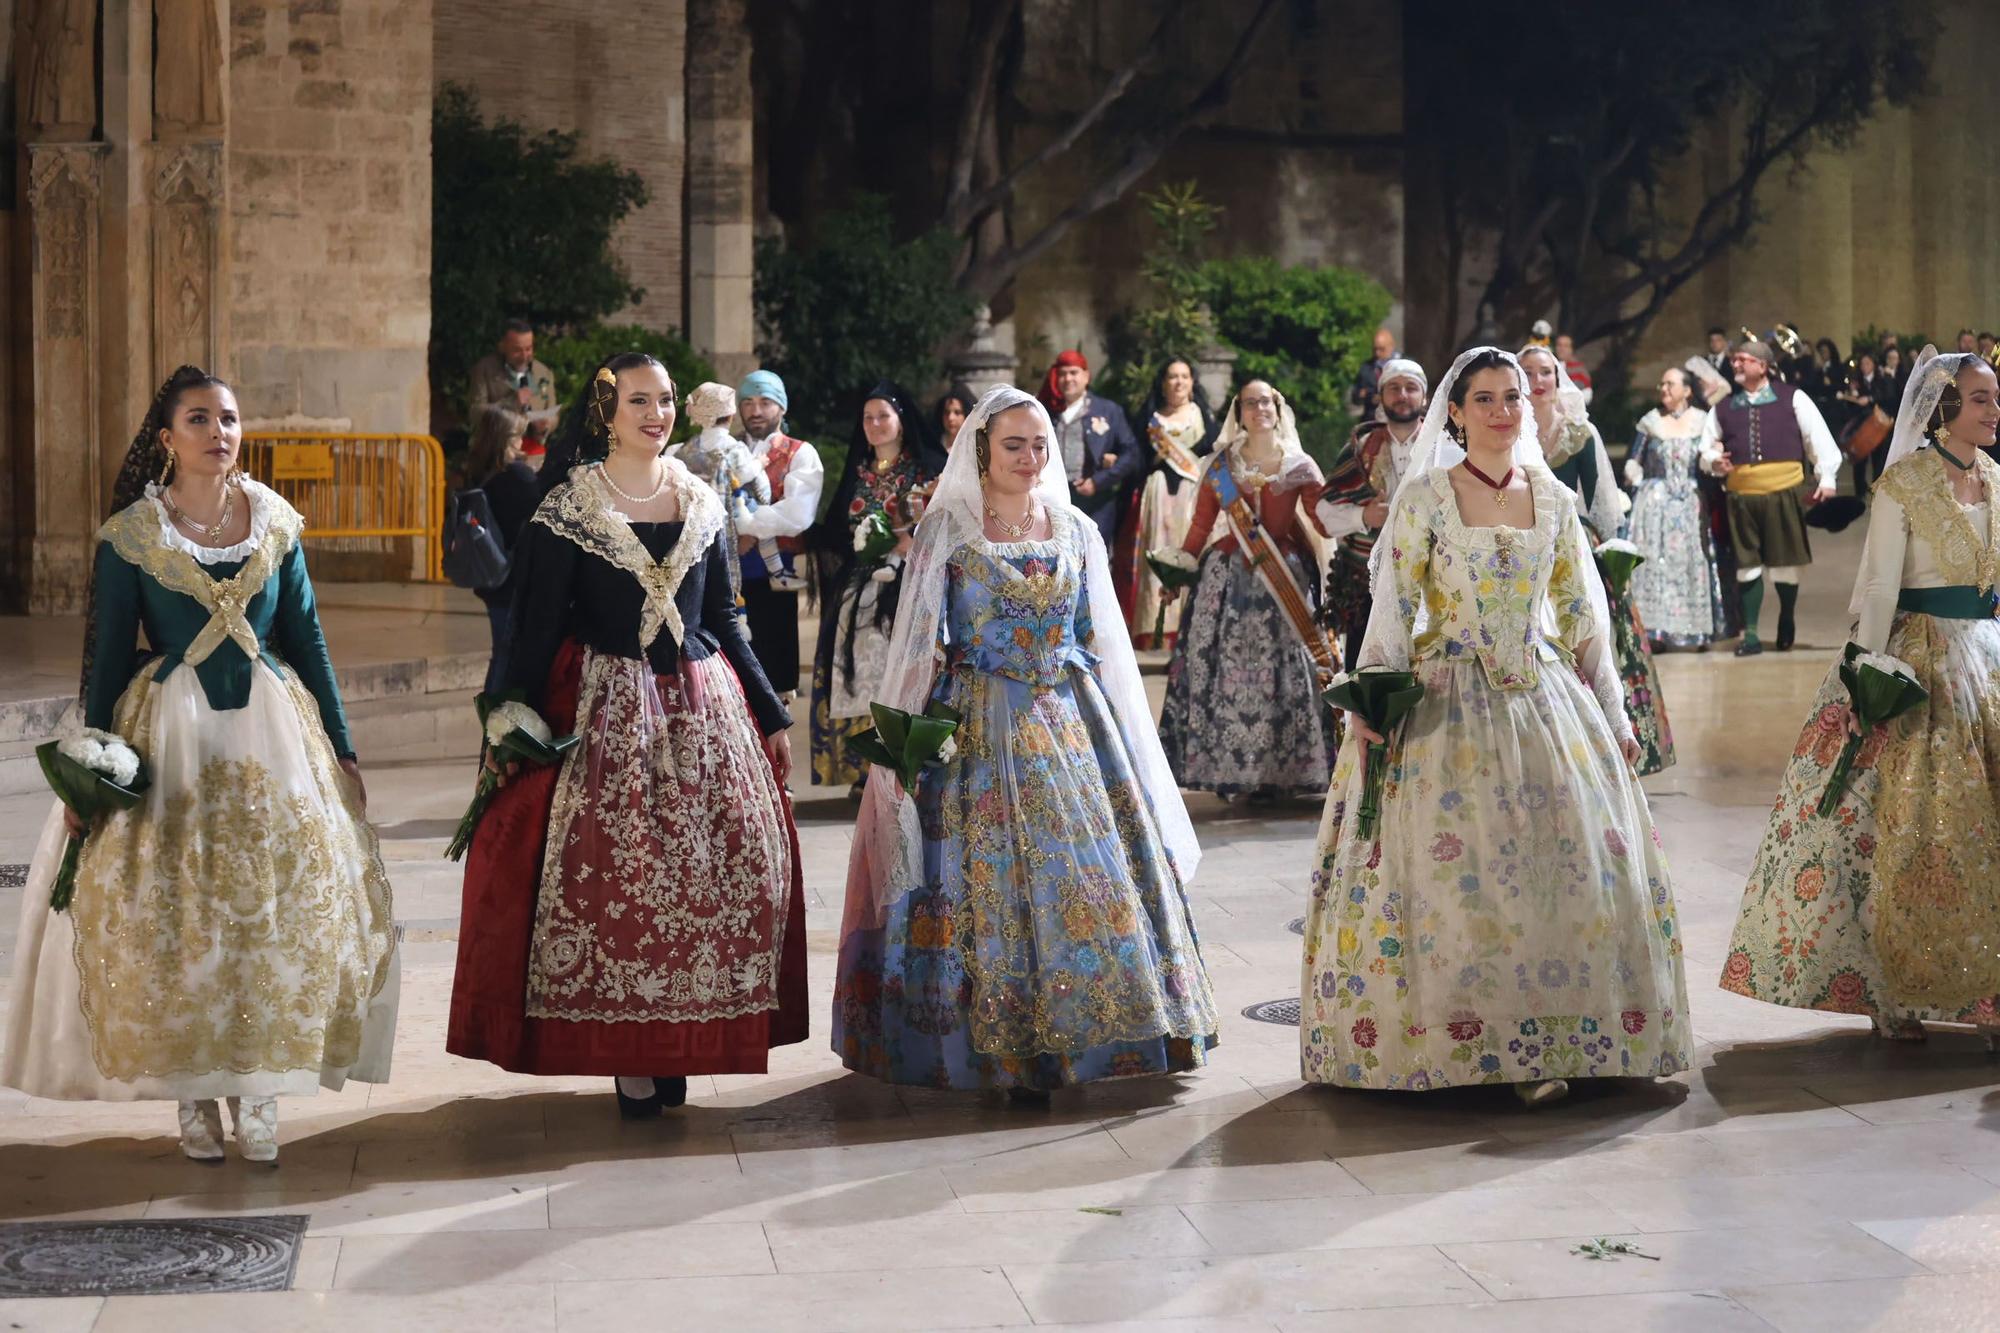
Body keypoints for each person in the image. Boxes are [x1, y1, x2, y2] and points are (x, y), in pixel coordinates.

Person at [2, 366, 399, 1162]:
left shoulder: (277, 523)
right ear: (166, 439)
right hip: (168, 737)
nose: (219, 431)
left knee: (272, 913)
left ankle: (258, 1091)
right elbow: (108, 660)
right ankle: (192, 1093)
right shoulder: (131, 537)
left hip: (272, 735)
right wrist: (90, 770)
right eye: (199, 418)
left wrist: (345, 747)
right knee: (180, 917)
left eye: (228, 417)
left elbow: (310, 641)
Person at [1300, 348, 1690, 1103]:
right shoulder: (1426, 499)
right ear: (1455, 411)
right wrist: (1371, 705)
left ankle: (1558, 1036)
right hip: (1447, 701)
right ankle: (1468, 1040)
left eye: (1513, 396)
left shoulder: (1551, 498)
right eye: (1485, 398)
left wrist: (1615, 715)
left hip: (1542, 696)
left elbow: (1584, 620)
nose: (1503, 411)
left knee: (1562, 871)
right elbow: (1392, 611)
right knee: (1464, 878)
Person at [831, 385, 1217, 1097]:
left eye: (1040, 445)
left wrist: (1122, 730)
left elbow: (1102, 637)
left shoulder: (1073, 526)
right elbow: (918, 643)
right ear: (981, 448)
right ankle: (998, 1047)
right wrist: (902, 744)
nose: (1031, 457)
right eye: (1015, 444)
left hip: (1071, 718)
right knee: (981, 885)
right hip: (976, 718)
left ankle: (1108, 1030)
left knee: (1089, 874)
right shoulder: (949, 528)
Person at [446, 353, 805, 1116]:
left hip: (704, 712)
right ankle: (630, 1051)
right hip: (609, 710)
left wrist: (771, 713)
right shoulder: (569, 508)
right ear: (606, 411)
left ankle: (682, 1030)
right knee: (620, 886)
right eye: (640, 400)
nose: (658, 413)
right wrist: (509, 714)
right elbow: (534, 626)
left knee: (712, 880)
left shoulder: (703, 502)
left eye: (667, 399)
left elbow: (724, 622)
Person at [1721, 348, 2000, 1042]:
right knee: (1904, 828)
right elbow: (1877, 586)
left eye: (1995, 399)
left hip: (1987, 652)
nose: (1994, 411)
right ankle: (1892, 990)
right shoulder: (1904, 484)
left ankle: (1985, 990)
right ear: (1944, 409)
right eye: (1980, 399)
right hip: (1923, 658)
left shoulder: (1995, 477)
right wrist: (1866, 676)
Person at [1158, 381, 1339, 801]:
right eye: (1250, 403)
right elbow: (1201, 527)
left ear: (1278, 409)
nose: (1259, 408)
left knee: (1289, 668)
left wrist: (1361, 515)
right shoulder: (1221, 464)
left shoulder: (1299, 465)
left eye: (1266, 402)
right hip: (1225, 577)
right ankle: (1230, 768)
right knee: (1224, 669)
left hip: (1285, 579)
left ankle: (1288, 767)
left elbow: (1325, 520)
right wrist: (1177, 571)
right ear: (1238, 413)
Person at [809, 381, 945, 792]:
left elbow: (945, 526)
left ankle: (908, 763)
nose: (874, 424)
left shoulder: (926, 473)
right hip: (859, 592)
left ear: (902, 421)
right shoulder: (857, 474)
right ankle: (861, 769)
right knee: (855, 675)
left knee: (903, 674)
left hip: (910, 589)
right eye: (867, 418)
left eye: (883, 416)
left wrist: (909, 543)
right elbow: (836, 531)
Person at [1699, 336, 1841, 655]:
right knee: (1745, 565)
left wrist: (1827, 476)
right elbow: (1705, 449)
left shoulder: (1794, 398)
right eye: (1734, 359)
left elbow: (1817, 438)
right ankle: (1749, 633)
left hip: (1782, 494)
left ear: (1762, 366)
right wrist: (1714, 462)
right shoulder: (1723, 408)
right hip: (1741, 497)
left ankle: (1786, 618)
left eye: (1742, 359)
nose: (1735, 364)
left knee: (1785, 565)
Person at [1318, 358, 1429, 665]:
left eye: (1410, 388)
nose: (1402, 395)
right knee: (1365, 673)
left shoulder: (1443, 448)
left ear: (1425, 398)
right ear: (1380, 397)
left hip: (1431, 584)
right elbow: (1323, 511)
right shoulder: (1361, 447)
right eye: (1393, 388)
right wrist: (1363, 517)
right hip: (1366, 584)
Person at [733, 370, 822, 698]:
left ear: (782, 408)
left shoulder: (800, 453)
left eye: (765, 402)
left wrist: (746, 530)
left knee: (773, 685)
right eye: (748, 402)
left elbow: (797, 513)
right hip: (726, 581)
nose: (756, 410)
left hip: (773, 583)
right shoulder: (727, 451)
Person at [1626, 367, 1725, 652]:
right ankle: (1657, 631)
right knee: (1657, 566)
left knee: (1691, 564)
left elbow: (1708, 458)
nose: (1664, 389)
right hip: (1654, 507)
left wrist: (1715, 461)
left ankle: (1696, 631)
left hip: (1689, 506)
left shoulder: (1702, 422)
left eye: (1670, 384)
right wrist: (1633, 477)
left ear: (1687, 390)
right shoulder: (1651, 421)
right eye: (1662, 384)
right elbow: (1635, 458)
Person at [1131, 358, 1219, 648]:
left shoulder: (1203, 417)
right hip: (1158, 494)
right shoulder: (1150, 419)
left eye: (1184, 376)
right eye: (1172, 376)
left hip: (1194, 494)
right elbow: (1137, 459)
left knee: (1190, 551)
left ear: (1192, 382)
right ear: (1163, 383)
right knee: (1159, 550)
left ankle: (1190, 627)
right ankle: (1159, 631)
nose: (1178, 382)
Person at [463, 404, 542, 692]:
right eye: (518, 435)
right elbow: (541, 504)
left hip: (492, 578)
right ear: (506, 438)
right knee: (507, 655)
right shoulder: (517, 476)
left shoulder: (478, 473)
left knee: (501, 653)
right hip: (512, 580)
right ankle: (495, 715)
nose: (522, 441)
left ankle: (491, 716)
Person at [1519, 344, 1623, 539]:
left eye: (1546, 372)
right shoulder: (1509, 436)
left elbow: (1595, 501)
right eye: (1528, 373)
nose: (1538, 380)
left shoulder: (1579, 433)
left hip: (1570, 539)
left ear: (1557, 379)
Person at [1041, 350, 1141, 547]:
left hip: (1096, 500)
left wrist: (1098, 481)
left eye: (1073, 373)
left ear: (1086, 376)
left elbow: (1131, 453)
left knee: (1093, 556)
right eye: (1062, 374)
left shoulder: (1107, 411)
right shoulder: (1047, 410)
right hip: (1055, 499)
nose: (1067, 379)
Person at [469, 318, 558, 443]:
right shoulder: (485, 370)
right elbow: (475, 413)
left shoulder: (543, 372)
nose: (524, 356)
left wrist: (547, 424)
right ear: (502, 346)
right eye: (517, 350)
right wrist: (510, 403)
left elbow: (553, 413)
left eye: (528, 349)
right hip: (497, 450)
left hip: (534, 451)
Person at [1350, 327, 1398, 420]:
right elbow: (1355, 396)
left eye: (1381, 349)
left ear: (1391, 346)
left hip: (1395, 419)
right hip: (1371, 419)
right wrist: (1365, 396)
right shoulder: (1366, 368)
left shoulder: (1402, 366)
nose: (1377, 353)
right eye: (1375, 349)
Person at [1554, 332, 1593, 405]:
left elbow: (1577, 392)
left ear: (1571, 349)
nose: (1562, 349)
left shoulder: (1579, 370)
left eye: (1566, 346)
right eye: (1559, 345)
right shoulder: (1550, 365)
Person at [935, 382, 976, 449]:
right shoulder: (934, 444)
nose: (950, 418)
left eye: (957, 412)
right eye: (946, 412)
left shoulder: (974, 447)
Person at [1704, 326, 1738, 393]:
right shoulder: (1703, 362)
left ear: (1724, 342)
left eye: (1718, 340)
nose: (1714, 343)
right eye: (1712, 340)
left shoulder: (1732, 361)